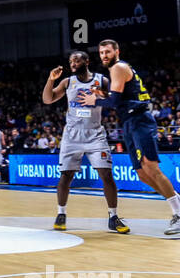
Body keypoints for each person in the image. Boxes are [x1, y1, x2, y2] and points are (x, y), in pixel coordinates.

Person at [77, 39, 180, 237]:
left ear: (117, 51)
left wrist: (96, 99)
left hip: (140, 120)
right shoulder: (116, 70)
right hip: (129, 122)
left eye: (107, 52)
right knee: (142, 174)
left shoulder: (118, 67)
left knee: (151, 168)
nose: (104, 56)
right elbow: (119, 97)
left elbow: (115, 100)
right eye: (101, 53)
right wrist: (102, 94)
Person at [43, 51, 130, 234]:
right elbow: (48, 99)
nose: (73, 63)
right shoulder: (67, 82)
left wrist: (99, 96)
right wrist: (51, 80)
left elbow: (115, 100)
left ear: (86, 61)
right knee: (66, 175)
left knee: (106, 174)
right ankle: (61, 213)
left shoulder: (101, 80)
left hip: (95, 134)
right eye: (70, 61)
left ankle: (113, 217)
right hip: (72, 135)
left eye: (76, 59)